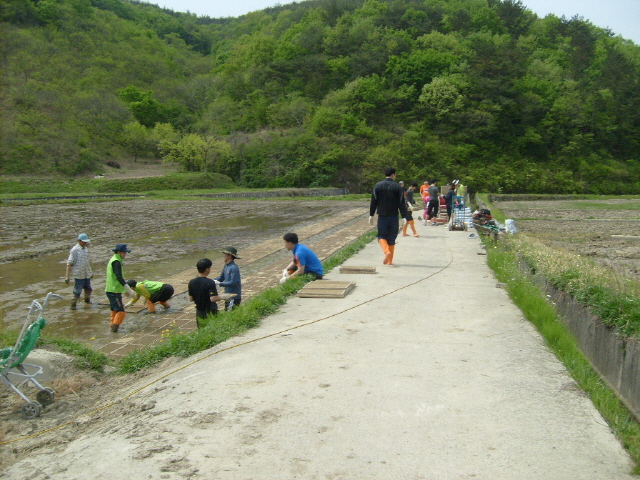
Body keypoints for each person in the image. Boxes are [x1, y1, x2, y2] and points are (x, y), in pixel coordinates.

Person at [369, 167, 410, 265]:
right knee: (392, 238)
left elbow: (373, 201)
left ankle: (386, 251)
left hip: (382, 215)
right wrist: (404, 216)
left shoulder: (378, 185)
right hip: (393, 216)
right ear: (393, 175)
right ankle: (390, 261)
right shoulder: (397, 187)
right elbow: (401, 203)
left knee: (381, 236)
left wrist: (371, 214)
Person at [188, 258, 234, 328]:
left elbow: (191, 299)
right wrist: (224, 297)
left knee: (202, 330)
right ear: (207, 269)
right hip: (210, 311)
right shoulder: (210, 282)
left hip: (199, 312)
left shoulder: (191, 282)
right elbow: (213, 299)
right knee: (213, 329)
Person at [105, 244, 135, 333]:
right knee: (121, 311)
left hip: (111, 290)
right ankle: (114, 329)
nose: (125, 254)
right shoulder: (116, 262)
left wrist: (124, 290)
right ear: (119, 252)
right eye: (125, 252)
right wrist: (128, 289)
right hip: (114, 290)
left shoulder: (114, 259)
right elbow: (118, 276)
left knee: (114, 309)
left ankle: (112, 327)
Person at [65, 233, 93, 310]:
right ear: (79, 241)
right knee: (77, 292)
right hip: (79, 275)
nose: (85, 243)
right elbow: (69, 263)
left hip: (86, 274)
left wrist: (90, 272)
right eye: (84, 242)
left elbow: (87, 262)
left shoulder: (86, 249)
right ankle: (73, 306)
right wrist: (67, 276)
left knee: (88, 289)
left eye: (86, 242)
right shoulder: (74, 250)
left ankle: (87, 301)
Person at [214, 247, 242, 311]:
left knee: (230, 314)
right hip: (228, 295)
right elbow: (221, 277)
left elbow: (233, 282)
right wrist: (211, 281)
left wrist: (219, 284)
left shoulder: (234, 268)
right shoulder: (226, 266)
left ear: (229, 256)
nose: (224, 256)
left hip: (233, 297)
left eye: (225, 255)